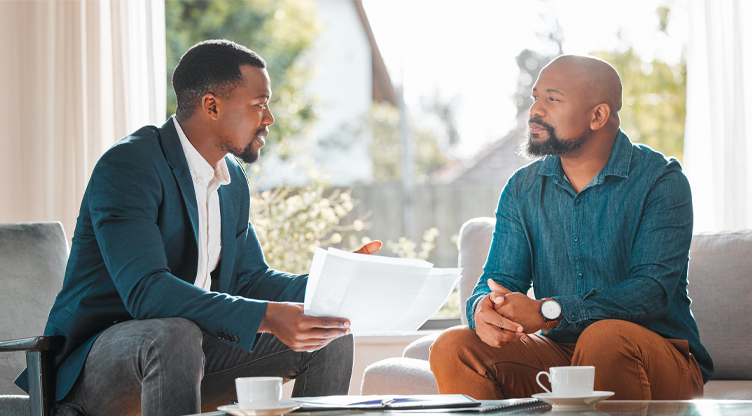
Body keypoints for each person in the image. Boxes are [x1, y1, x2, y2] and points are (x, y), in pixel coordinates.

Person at [14, 39, 381, 416]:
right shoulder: (130, 165)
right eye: (259, 104)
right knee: (175, 334)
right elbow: (147, 291)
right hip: (94, 367)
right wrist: (267, 316)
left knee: (327, 334)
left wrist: (336, 281)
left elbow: (250, 279)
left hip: (187, 355)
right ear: (212, 105)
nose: (269, 118)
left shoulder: (231, 180)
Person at [429, 55, 712, 401]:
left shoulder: (661, 180)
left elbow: (650, 293)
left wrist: (549, 311)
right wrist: (483, 310)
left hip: (655, 354)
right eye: (535, 97)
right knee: (453, 347)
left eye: (552, 98)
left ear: (598, 115)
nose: (535, 110)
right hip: (559, 356)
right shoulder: (522, 189)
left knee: (603, 339)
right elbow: (495, 281)